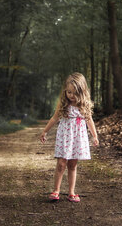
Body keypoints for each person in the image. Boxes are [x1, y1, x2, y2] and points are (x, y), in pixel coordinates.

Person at [39, 72, 99, 203]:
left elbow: (89, 121)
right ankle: (56, 190)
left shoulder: (84, 105)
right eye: (69, 92)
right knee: (61, 163)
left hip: (78, 138)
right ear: (65, 91)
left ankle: (71, 192)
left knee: (72, 164)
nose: (71, 96)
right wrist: (45, 131)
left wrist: (94, 136)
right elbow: (54, 118)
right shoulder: (63, 104)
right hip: (65, 137)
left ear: (82, 92)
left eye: (75, 93)